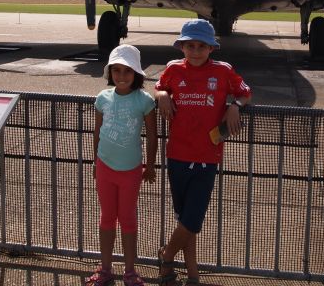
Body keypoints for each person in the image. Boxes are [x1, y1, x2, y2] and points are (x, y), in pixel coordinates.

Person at [154, 19, 251, 285]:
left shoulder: (223, 71)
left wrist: (234, 105)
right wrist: (161, 94)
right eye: (190, 45)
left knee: (193, 217)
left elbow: (245, 93)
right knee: (186, 218)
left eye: (201, 46)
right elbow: (159, 85)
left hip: (208, 156)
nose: (195, 51)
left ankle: (167, 255)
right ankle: (193, 273)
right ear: (182, 47)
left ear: (211, 48)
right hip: (177, 155)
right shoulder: (173, 69)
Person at [87, 44, 158, 286]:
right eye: (116, 70)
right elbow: (97, 131)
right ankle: (105, 268)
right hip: (105, 166)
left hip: (130, 171)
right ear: (110, 73)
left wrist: (150, 165)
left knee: (127, 219)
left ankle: (130, 270)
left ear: (136, 74)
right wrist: (95, 162)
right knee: (107, 218)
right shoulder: (102, 98)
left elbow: (151, 135)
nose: (121, 76)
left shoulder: (144, 101)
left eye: (127, 71)